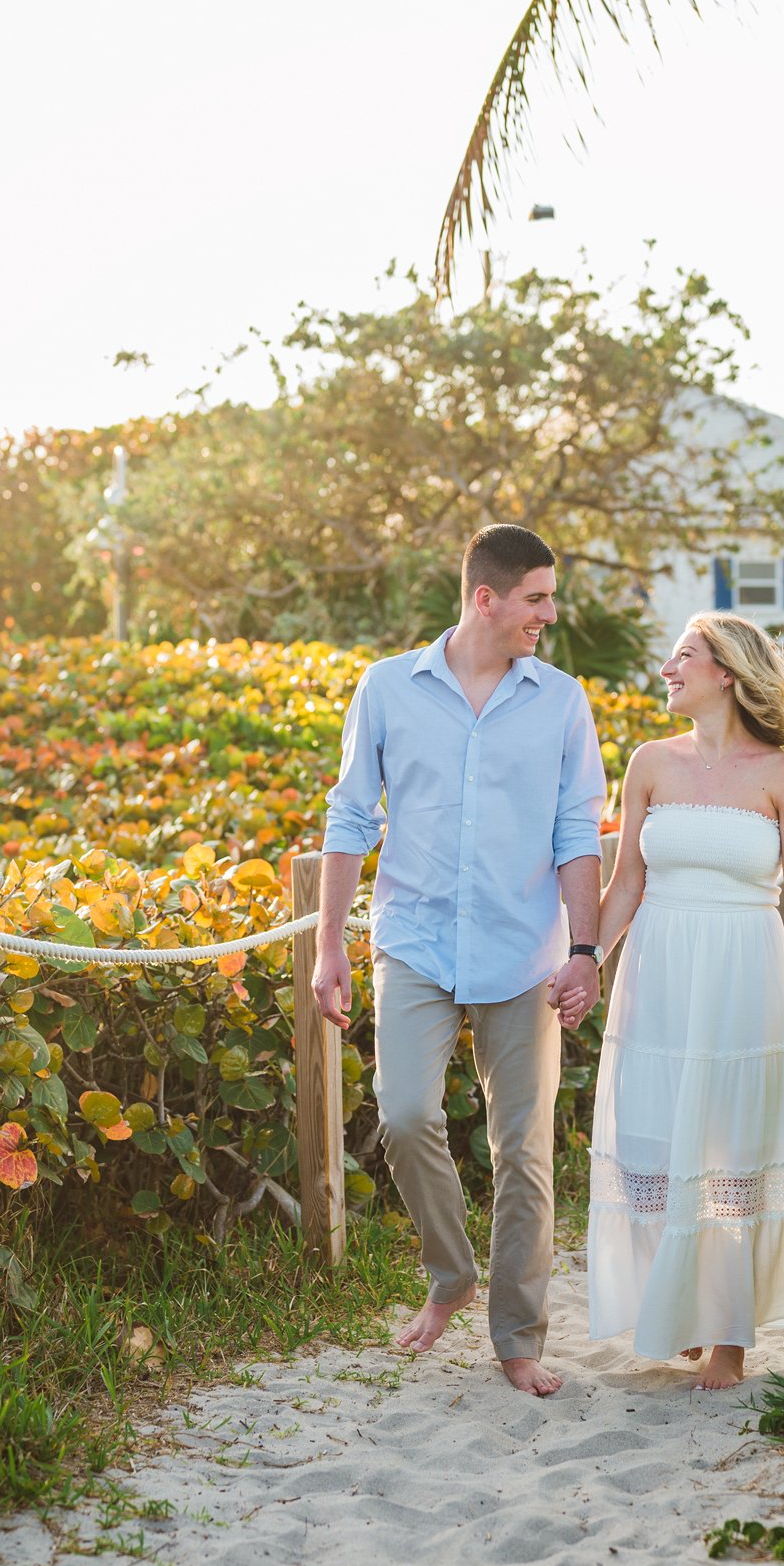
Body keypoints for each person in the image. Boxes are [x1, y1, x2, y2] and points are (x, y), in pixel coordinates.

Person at [313, 523, 606, 1399]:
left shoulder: (561, 701)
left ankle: (517, 1336)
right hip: (415, 941)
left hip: (523, 951)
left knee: (524, 1148)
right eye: (537, 599)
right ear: (487, 599)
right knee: (403, 1114)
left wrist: (585, 950)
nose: (549, 615)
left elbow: (576, 832)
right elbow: (349, 816)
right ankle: (452, 1273)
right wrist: (329, 944)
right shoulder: (387, 689)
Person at [583, 612, 784, 1391]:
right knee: (657, 1141)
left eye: (682, 656)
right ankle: (681, 1301)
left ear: (726, 672)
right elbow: (626, 886)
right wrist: (588, 962)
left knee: (732, 1145)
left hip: (746, 975)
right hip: (658, 972)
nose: (666, 669)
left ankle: (729, 1337)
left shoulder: (783, 776)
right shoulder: (650, 762)